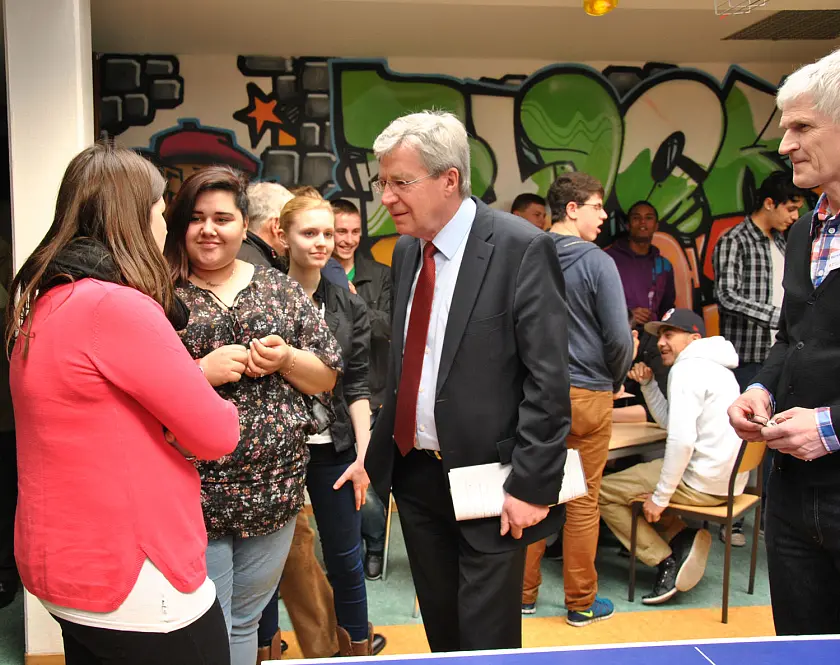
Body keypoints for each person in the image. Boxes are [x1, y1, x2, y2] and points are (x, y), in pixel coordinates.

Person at [6, 143, 240, 665]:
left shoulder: (46, 299)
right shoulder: (113, 305)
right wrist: (184, 411)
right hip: (134, 573)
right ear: (136, 217)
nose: (164, 224)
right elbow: (217, 433)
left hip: (64, 565)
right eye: (161, 210)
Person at [365, 111, 571, 652]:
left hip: (491, 482)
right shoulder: (407, 250)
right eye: (382, 182)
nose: (386, 198)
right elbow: (410, 362)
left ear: (449, 179)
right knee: (442, 630)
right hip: (416, 476)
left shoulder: (521, 248)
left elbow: (548, 380)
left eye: (400, 182)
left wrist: (531, 485)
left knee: (485, 639)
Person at [164, 166, 342, 665]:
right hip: (193, 489)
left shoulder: (278, 289)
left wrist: (286, 359)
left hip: (274, 488)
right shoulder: (159, 293)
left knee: (244, 618)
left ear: (245, 226)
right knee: (208, 618)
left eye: (222, 218)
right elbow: (136, 389)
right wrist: (200, 372)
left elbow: (326, 375)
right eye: (196, 218)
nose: (209, 229)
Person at [728, 47, 840, 637]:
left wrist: (830, 426)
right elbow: (789, 337)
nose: (784, 144)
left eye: (801, 127)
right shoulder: (802, 235)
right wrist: (761, 389)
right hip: (792, 495)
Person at [521, 172, 634, 624]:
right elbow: (619, 338)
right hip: (588, 394)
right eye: (597, 206)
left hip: (534, 394)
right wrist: (613, 378)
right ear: (572, 209)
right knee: (583, 502)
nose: (604, 216)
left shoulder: (525, 254)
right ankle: (581, 604)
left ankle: (523, 596)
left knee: (532, 492)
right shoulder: (598, 262)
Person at [281, 194, 385, 656]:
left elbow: (357, 384)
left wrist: (363, 455)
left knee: (345, 558)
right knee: (271, 565)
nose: (322, 242)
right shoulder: (262, 296)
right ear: (283, 236)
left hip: (334, 447)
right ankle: (265, 651)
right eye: (310, 233)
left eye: (327, 233)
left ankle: (355, 648)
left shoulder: (348, 304)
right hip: (275, 450)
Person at [600, 309, 747, 605]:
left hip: (701, 482)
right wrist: (648, 386)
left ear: (694, 338)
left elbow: (681, 441)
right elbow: (673, 423)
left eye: (669, 334)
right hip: (727, 481)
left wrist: (661, 497)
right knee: (639, 481)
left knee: (600, 491)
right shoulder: (718, 368)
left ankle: (664, 559)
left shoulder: (687, 370)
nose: (661, 343)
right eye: (660, 336)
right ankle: (683, 538)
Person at [712, 171, 805, 546]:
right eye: (790, 208)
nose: (795, 217)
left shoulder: (783, 242)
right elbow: (727, 295)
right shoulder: (734, 239)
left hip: (777, 357)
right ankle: (730, 520)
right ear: (769, 203)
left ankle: (768, 517)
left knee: (773, 438)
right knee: (738, 439)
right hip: (746, 354)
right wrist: (776, 316)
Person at [331, 198, 392, 580]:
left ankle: (374, 544)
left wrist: (353, 303)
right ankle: (346, 546)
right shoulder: (318, 271)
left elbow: (389, 327)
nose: (348, 239)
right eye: (341, 231)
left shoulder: (380, 275)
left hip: (373, 390)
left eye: (355, 231)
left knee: (368, 476)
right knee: (338, 477)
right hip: (329, 393)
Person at [606, 201, 676, 327]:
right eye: (636, 218)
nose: (642, 222)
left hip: (652, 336)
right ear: (628, 225)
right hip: (617, 334)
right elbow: (596, 303)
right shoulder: (607, 259)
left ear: (656, 226)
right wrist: (628, 316)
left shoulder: (664, 266)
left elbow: (667, 309)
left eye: (648, 218)